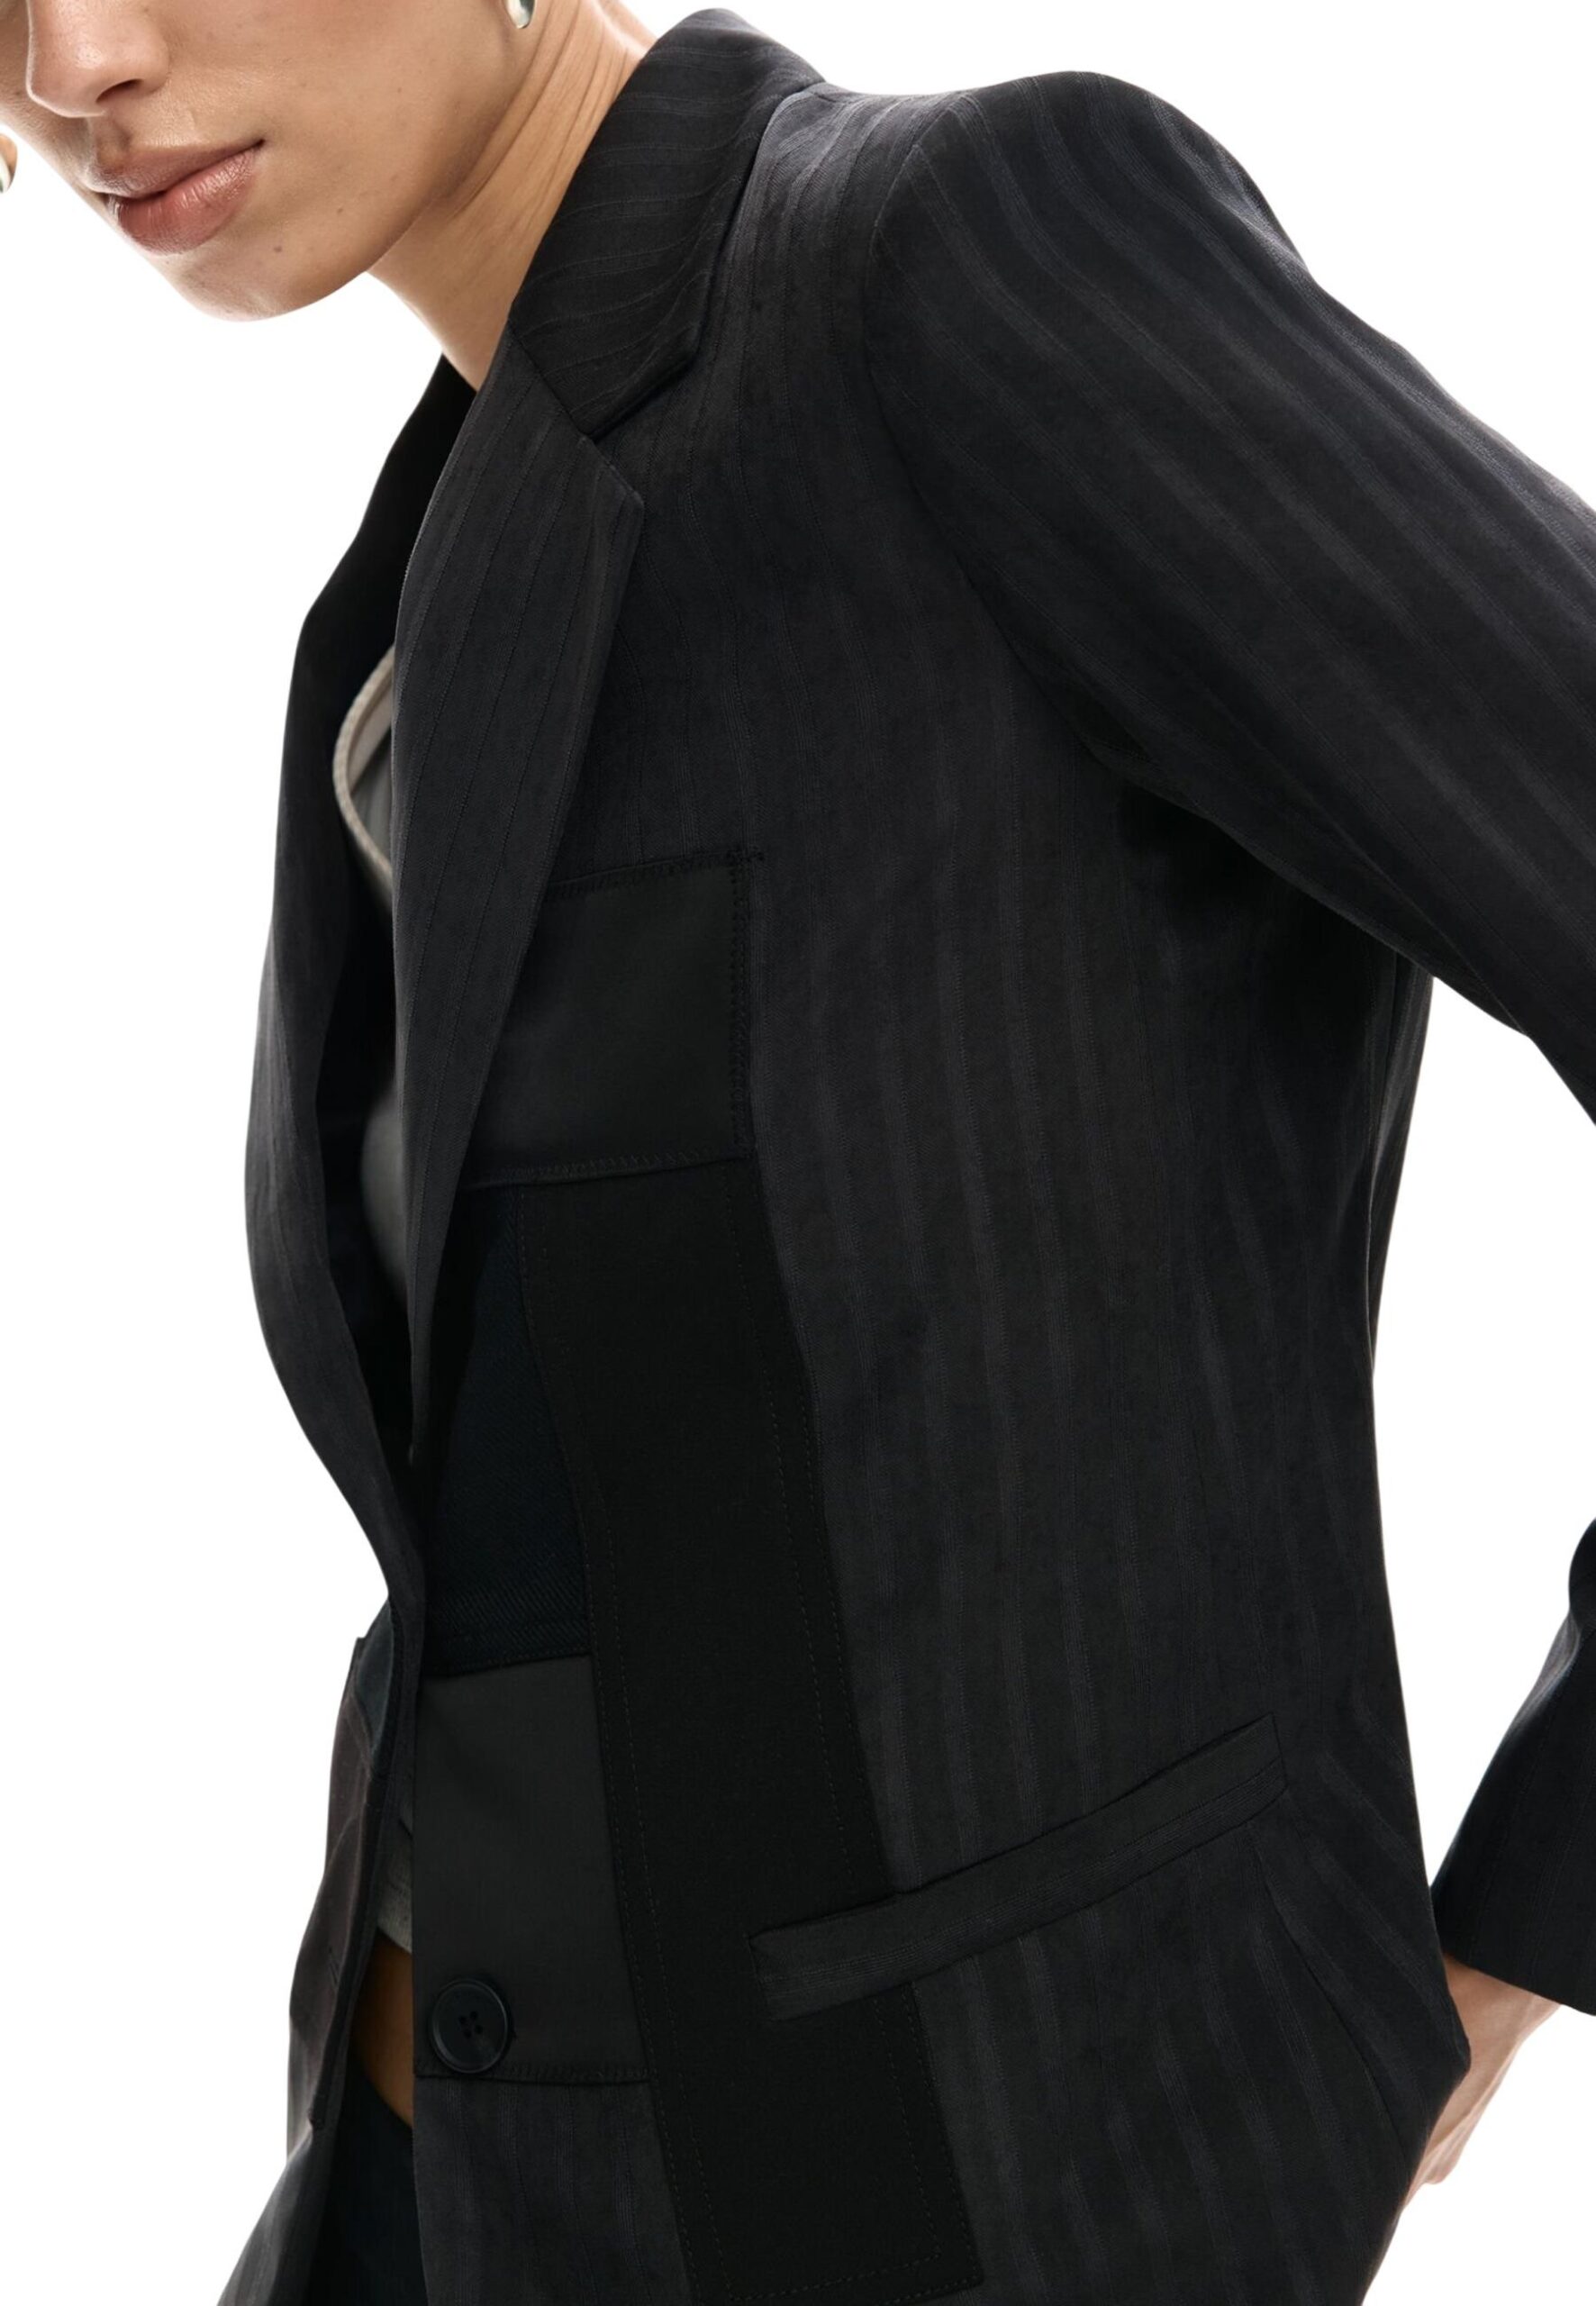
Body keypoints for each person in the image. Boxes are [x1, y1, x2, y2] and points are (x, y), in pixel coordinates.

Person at [4, 4, 1590, 2302]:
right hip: (418, 2193)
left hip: (971, 2203)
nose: (75, 60)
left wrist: (1539, 1892)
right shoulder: (442, 541)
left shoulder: (958, 271)